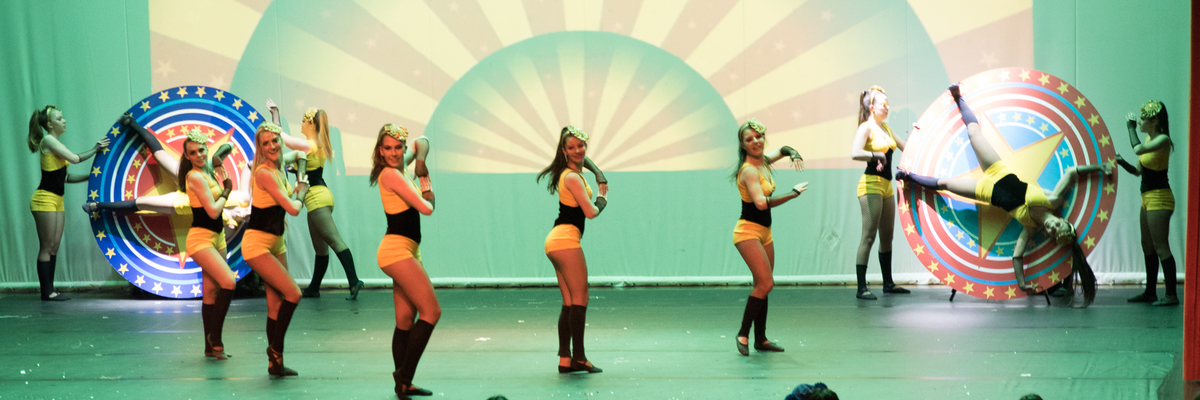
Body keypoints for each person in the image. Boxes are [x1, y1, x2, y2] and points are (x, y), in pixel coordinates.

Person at [897, 84, 1106, 305]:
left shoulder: (1030, 226)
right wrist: (1099, 168)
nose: (1052, 227)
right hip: (997, 170)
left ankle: (908, 177)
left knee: (945, 184)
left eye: (1053, 232)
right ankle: (958, 98)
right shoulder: (1052, 200)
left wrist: (1022, 283)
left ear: (1050, 234)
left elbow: (1017, 256)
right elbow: (1072, 172)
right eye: (1058, 225)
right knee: (973, 132)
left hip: (986, 192)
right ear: (1061, 220)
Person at [266, 101, 364, 299]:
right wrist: (296, 170)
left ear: (311, 124)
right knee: (320, 247)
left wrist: (275, 114)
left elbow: (281, 137)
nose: (301, 124)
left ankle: (354, 281)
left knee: (334, 241)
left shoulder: (308, 145)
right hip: (319, 196)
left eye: (303, 121)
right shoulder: (317, 144)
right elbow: (309, 169)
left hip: (317, 197)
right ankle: (314, 288)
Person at [83, 115, 250, 226]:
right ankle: (131, 123)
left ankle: (97, 205)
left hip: (182, 203)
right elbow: (246, 165)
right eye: (251, 212)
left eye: (250, 218)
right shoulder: (243, 198)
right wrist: (223, 155)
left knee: (139, 203)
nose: (247, 214)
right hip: (191, 179)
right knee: (160, 155)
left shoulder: (232, 222)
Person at [370, 124, 438, 398]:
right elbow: (427, 208)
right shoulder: (390, 174)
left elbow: (423, 141)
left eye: (398, 147)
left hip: (407, 250)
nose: (394, 153)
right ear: (380, 151)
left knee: (405, 319)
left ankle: (403, 385)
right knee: (432, 312)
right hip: (396, 251)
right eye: (388, 148)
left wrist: (419, 160)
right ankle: (404, 375)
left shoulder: (399, 168)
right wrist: (426, 183)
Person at [730, 118, 807, 356]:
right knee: (766, 283)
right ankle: (743, 333)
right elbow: (762, 204)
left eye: (759, 136)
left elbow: (782, 150)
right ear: (743, 145)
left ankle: (761, 339)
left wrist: (792, 152)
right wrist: (792, 194)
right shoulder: (749, 170)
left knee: (762, 286)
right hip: (747, 232)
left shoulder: (762, 161)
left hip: (765, 233)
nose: (756, 141)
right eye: (750, 139)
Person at [537, 126, 609, 373]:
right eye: (572, 147)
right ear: (563, 151)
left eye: (581, 146)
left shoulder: (569, 171)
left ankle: (565, 360)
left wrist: (597, 172)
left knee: (569, 301)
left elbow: (582, 160)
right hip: (566, 241)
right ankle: (579, 357)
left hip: (556, 241)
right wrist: (602, 198)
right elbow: (590, 212)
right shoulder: (572, 177)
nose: (578, 151)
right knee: (581, 298)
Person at [242, 121, 308, 376]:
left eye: (275, 141)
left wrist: (301, 167)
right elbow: (293, 209)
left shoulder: (279, 168)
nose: (271, 146)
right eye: (265, 143)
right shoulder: (264, 173)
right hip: (257, 246)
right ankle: (275, 350)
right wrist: (301, 191)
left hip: (276, 242)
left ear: (281, 141)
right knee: (294, 294)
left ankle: (275, 365)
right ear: (260, 148)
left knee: (275, 305)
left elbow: (301, 153)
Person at [28, 105, 110, 301]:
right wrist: (96, 149)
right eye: (59, 118)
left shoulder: (55, 143)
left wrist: (90, 177)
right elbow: (74, 159)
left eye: (63, 117)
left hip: (57, 200)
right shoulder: (48, 140)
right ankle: (47, 292)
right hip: (44, 199)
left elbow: (65, 177)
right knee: (47, 246)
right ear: (49, 124)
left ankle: (51, 290)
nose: (63, 120)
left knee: (54, 246)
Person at [178, 129, 238, 359]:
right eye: (193, 153)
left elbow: (228, 146)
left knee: (211, 293)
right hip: (201, 239)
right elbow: (213, 211)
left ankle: (208, 348)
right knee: (229, 282)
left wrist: (218, 158)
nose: (199, 155)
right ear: (187, 156)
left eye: (202, 150)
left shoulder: (209, 169)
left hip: (217, 237)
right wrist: (227, 189)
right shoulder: (194, 176)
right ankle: (216, 338)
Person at [1114, 100, 1177, 306]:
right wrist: (1122, 162)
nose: (1139, 122)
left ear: (1154, 120)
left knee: (1161, 246)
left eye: (1142, 119)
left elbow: (1138, 149)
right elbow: (1137, 171)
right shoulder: (1150, 140)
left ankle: (1171, 295)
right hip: (1147, 199)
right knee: (1147, 245)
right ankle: (1150, 292)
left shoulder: (1163, 140)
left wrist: (1130, 128)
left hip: (1160, 198)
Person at [849, 85, 909, 300]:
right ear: (872, 107)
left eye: (888, 103)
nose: (887, 107)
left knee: (887, 235)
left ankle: (888, 283)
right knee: (869, 235)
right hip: (871, 185)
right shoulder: (866, 127)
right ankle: (861, 287)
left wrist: (918, 135)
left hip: (886, 186)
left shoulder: (886, 129)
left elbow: (907, 147)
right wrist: (877, 155)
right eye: (884, 104)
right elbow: (855, 153)